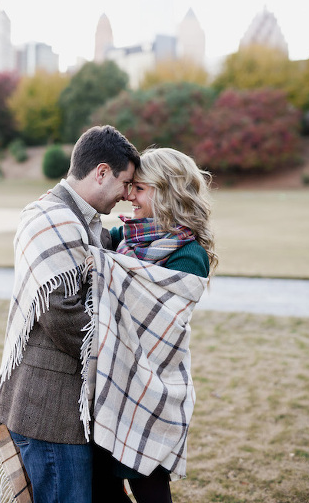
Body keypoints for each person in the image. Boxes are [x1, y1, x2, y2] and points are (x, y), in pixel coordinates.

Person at [0, 125, 140, 503]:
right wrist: (127, 353)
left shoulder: (85, 221)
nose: (126, 194)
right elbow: (63, 315)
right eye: (125, 183)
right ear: (101, 172)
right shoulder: (49, 217)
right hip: (47, 410)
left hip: (70, 408)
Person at [92, 147, 218, 503]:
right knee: (101, 488)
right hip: (111, 383)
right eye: (130, 186)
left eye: (139, 188)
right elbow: (85, 242)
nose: (129, 195)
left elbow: (152, 321)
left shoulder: (189, 255)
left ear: (166, 192)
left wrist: (107, 272)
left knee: (150, 491)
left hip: (154, 389)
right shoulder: (126, 236)